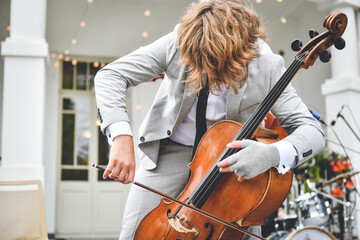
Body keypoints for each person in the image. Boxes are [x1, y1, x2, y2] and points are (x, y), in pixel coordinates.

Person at [94, 0, 325, 239]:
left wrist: (270, 154)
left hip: (229, 166)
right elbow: (111, 75)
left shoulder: (267, 65)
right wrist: (121, 136)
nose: (209, 76)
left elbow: (313, 132)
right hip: (170, 153)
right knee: (134, 232)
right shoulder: (179, 41)